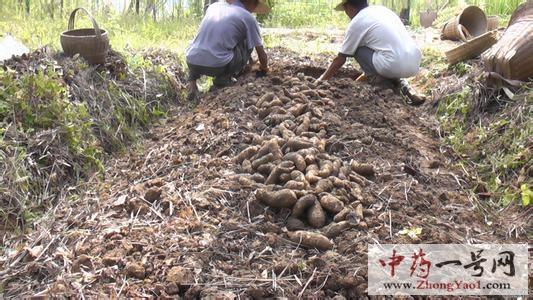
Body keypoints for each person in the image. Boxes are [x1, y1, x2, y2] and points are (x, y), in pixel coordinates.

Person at [317, 0, 425, 104]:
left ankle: (380, 81)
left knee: (355, 48)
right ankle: (404, 85)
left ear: (349, 7)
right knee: (386, 53)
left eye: (345, 9)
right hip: (414, 62)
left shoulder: (357, 22)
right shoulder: (382, 10)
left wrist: (321, 80)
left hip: (392, 65)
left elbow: (340, 59)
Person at [185, 0, 270, 103]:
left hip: (192, 61)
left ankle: (192, 84)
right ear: (252, 3)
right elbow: (261, 53)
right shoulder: (247, 17)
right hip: (217, 65)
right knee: (247, 38)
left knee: (203, 44)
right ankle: (223, 78)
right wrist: (264, 68)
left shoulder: (214, 7)